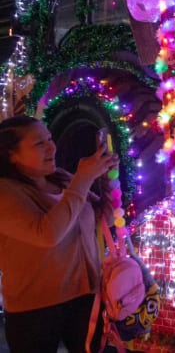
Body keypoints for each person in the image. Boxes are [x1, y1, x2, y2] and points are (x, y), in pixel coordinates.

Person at [0, 116, 118, 352]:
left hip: (86, 297)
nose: (51, 147)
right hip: (36, 308)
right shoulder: (5, 192)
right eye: (39, 144)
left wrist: (107, 178)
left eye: (50, 139)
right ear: (11, 155)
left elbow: (104, 217)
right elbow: (47, 234)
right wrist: (83, 179)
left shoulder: (62, 178)